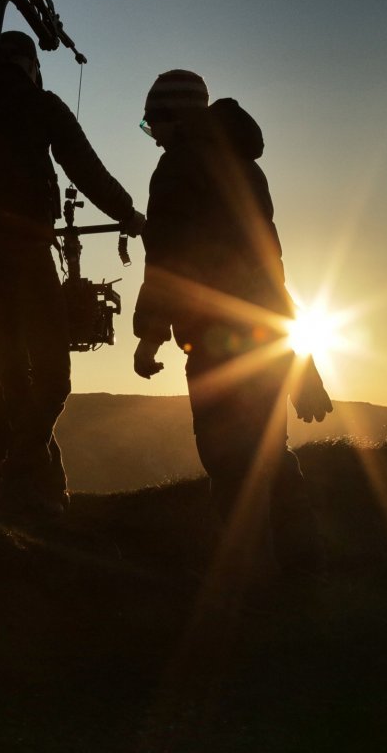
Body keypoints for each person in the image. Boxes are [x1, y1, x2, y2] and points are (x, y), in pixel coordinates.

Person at [0, 30, 144, 515]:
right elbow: (84, 167)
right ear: (30, 64)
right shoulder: (40, 103)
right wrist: (128, 214)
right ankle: (20, 475)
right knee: (53, 375)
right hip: (24, 249)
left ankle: (46, 489)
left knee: (12, 372)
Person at [132, 70, 333, 575]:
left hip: (214, 338)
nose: (152, 134)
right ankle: (304, 564)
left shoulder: (176, 168)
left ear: (175, 118)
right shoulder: (246, 168)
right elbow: (270, 272)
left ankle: (249, 580)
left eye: (152, 123)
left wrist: (150, 336)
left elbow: (169, 261)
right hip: (267, 334)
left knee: (228, 460)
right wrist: (303, 365)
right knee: (271, 449)